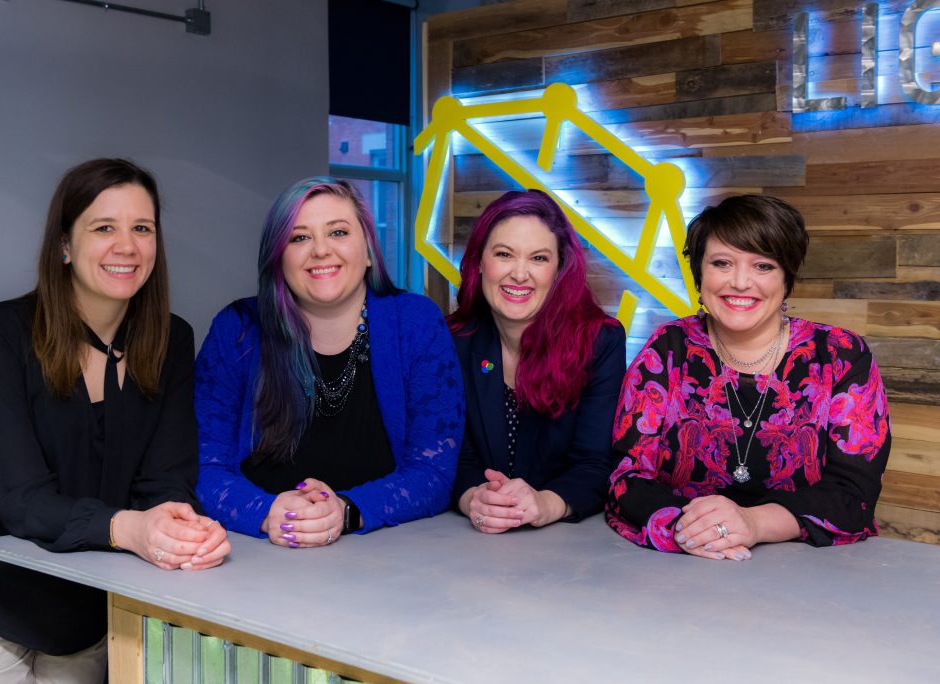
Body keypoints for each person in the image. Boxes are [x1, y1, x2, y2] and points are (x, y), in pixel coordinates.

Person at [0, 159, 229, 683]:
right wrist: (131, 528)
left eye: (142, 228)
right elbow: (21, 499)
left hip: (91, 601)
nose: (127, 246)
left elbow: (167, 478)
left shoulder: (172, 339)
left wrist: (180, 531)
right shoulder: (0, 333)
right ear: (64, 245)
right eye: (103, 227)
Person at [606, 194, 890, 560]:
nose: (740, 283)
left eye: (763, 266)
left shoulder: (840, 354)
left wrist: (752, 524)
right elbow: (626, 474)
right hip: (680, 567)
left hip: (808, 575)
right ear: (699, 274)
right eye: (722, 263)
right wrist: (697, 531)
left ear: (787, 276)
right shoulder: (667, 348)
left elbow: (854, 492)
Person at [195, 177, 462, 548]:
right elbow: (203, 466)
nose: (321, 250)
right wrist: (266, 511)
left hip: (390, 561)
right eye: (299, 237)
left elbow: (434, 473)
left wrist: (346, 510)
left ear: (368, 251)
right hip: (254, 558)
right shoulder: (236, 330)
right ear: (277, 258)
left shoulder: (416, 324)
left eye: (338, 232)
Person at [448, 189, 625, 533]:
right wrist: (473, 497)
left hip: (570, 549)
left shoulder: (600, 341)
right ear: (479, 262)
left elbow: (596, 462)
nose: (519, 273)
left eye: (538, 259)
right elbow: (450, 454)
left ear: (559, 269)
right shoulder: (452, 340)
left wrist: (546, 503)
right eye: (504, 254)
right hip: (466, 548)